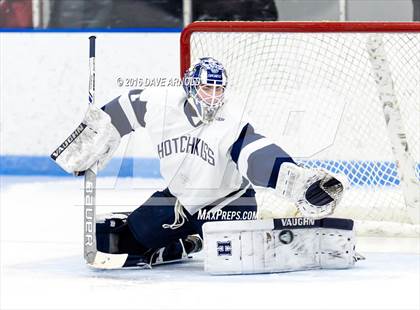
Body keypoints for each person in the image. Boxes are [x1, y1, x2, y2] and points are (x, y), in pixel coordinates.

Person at [52, 57, 346, 267]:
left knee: (232, 259)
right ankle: (185, 244)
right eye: (208, 88)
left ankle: (198, 238)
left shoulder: (231, 123)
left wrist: (294, 181)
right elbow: (120, 110)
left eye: (219, 89)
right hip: (179, 202)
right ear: (192, 87)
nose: (214, 97)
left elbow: (256, 154)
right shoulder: (160, 104)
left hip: (229, 206)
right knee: (118, 245)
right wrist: (93, 136)